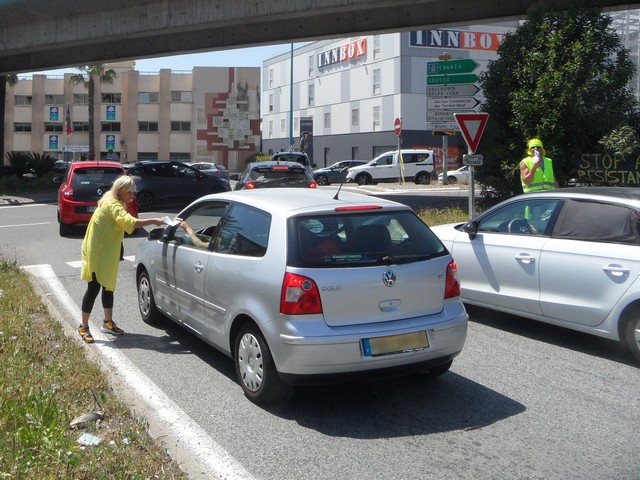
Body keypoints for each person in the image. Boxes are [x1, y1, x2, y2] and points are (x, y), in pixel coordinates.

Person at [78, 175, 165, 343]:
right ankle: (83, 326)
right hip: (97, 251)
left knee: (108, 285)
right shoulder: (112, 204)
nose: (133, 196)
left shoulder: (112, 199)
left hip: (108, 250)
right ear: (121, 191)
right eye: (131, 192)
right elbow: (129, 222)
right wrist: (154, 220)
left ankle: (107, 322)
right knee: (94, 287)